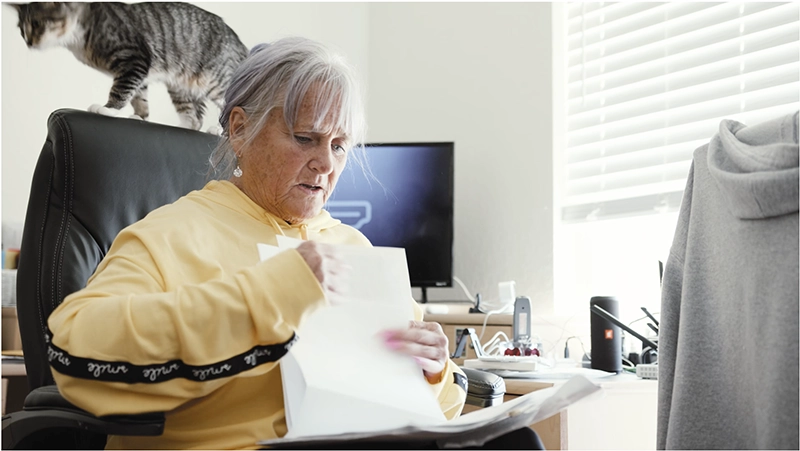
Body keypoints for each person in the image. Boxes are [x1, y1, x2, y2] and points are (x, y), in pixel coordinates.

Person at [47, 37, 543, 450]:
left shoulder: (353, 247)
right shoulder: (170, 234)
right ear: (240, 130)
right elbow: (76, 352)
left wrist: (434, 372)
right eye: (305, 138)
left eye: (339, 145)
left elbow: (435, 409)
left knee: (518, 441)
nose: (326, 164)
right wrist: (269, 296)